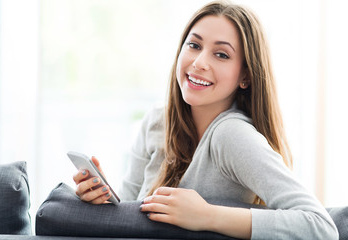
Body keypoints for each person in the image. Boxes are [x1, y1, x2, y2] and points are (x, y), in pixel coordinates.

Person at [73, 1, 338, 239]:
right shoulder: (156, 122)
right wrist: (102, 203)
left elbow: (320, 227)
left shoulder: (232, 136)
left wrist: (207, 216)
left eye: (221, 54)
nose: (199, 62)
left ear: (245, 76)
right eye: (194, 45)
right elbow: (127, 217)